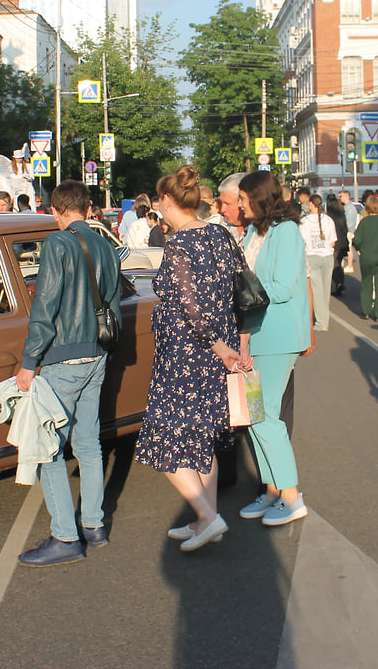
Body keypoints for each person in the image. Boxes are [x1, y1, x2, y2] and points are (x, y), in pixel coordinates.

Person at [134, 165, 245, 551]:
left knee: (167, 437)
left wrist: (215, 344)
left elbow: (190, 307)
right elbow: (237, 286)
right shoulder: (219, 233)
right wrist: (229, 345)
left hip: (187, 355)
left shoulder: (180, 244)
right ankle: (204, 519)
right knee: (203, 438)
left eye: (158, 200)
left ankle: (208, 516)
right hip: (218, 349)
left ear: (166, 201)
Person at [15, 180, 121, 567]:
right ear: (88, 208)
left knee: (48, 448)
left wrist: (29, 362)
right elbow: (114, 301)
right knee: (89, 444)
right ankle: (93, 525)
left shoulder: (57, 245)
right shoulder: (106, 247)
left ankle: (65, 536)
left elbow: (45, 306)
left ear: (56, 211)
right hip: (98, 354)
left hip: (64, 359)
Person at [235, 170, 311, 527]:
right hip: (254, 334)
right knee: (254, 415)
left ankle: (292, 496)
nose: (238, 204)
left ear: (259, 198)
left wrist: (239, 284)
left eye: (243, 198)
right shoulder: (254, 231)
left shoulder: (287, 232)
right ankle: (271, 491)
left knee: (266, 415)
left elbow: (281, 288)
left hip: (279, 336)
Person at [300, 195, 337, 332]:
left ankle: (321, 321)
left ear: (310, 204)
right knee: (325, 289)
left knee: (316, 290)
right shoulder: (328, 220)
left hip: (311, 256)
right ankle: (323, 317)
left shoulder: (305, 221)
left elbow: (301, 242)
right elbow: (333, 241)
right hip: (327, 256)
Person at [326, 195, 350, 296]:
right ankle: (341, 284)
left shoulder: (328, 216)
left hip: (334, 242)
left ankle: (338, 283)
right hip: (343, 242)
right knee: (338, 264)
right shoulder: (341, 214)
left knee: (333, 265)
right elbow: (345, 229)